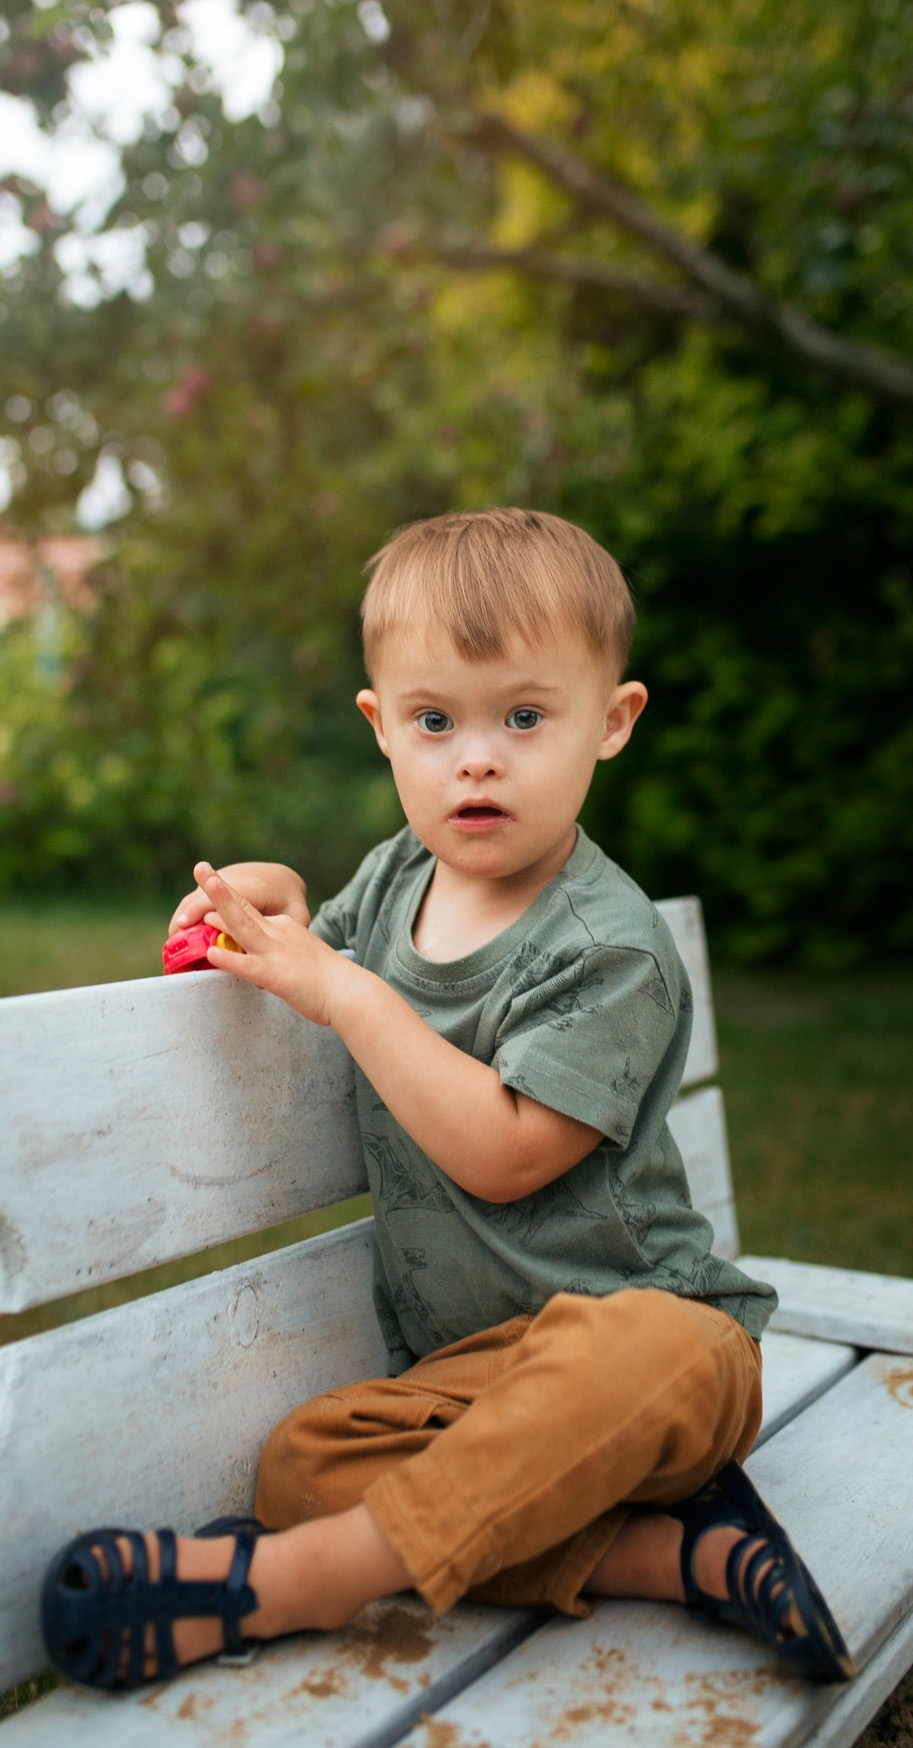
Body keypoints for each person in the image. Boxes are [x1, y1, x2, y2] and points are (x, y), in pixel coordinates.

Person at [41, 508, 853, 1691]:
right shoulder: (395, 879)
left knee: (657, 1349)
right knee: (302, 1461)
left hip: (647, 1345)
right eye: (435, 721)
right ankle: (675, 1554)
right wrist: (273, 902)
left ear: (611, 720)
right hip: (473, 1385)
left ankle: (298, 1581)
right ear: (381, 726)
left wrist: (344, 990)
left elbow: (503, 1152)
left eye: (523, 717)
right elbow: (328, 945)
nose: (475, 757)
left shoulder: (609, 946)